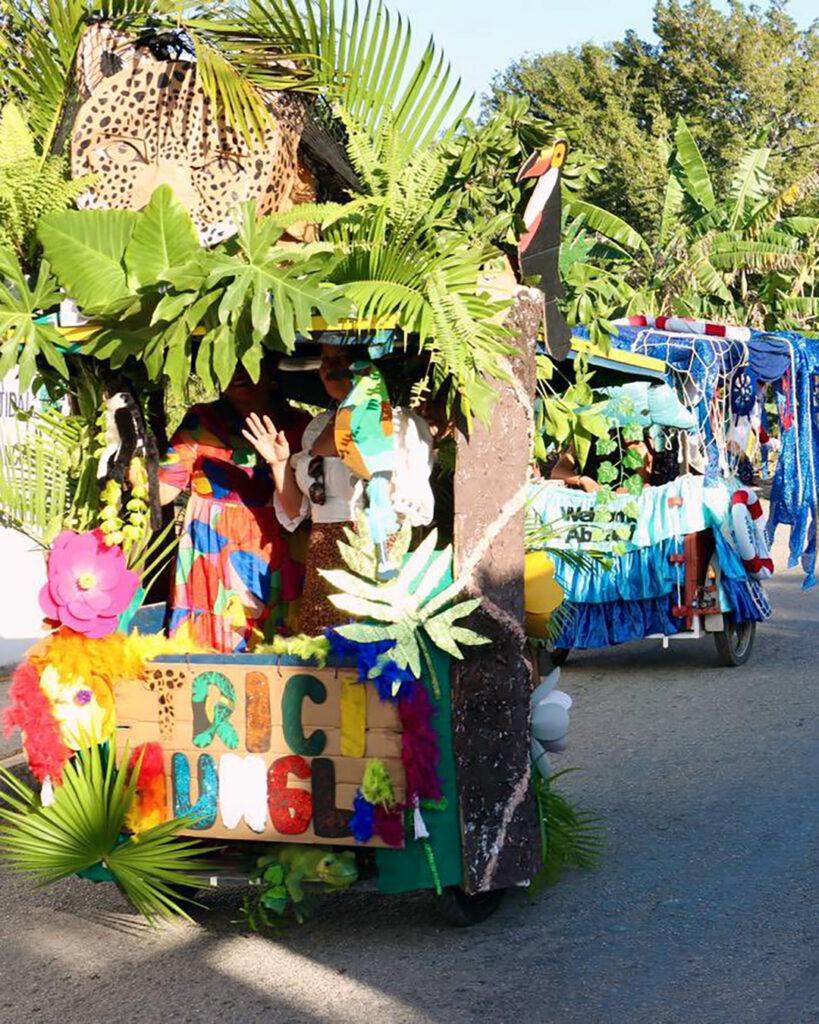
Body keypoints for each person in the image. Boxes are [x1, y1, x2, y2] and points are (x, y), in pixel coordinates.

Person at [242, 345, 435, 635]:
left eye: (342, 359)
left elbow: (401, 499)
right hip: (323, 553)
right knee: (322, 648)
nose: (329, 368)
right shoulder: (318, 425)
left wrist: (352, 446)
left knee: (371, 645)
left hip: (372, 546)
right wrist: (279, 463)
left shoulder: (400, 424)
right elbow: (296, 512)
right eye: (325, 360)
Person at [157, 360, 310, 652]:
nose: (237, 371)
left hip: (277, 546)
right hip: (213, 546)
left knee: (281, 650)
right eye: (229, 361)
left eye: (248, 361)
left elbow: (309, 501)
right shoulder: (201, 420)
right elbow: (164, 490)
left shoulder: (299, 425)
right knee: (210, 649)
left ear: (272, 371)